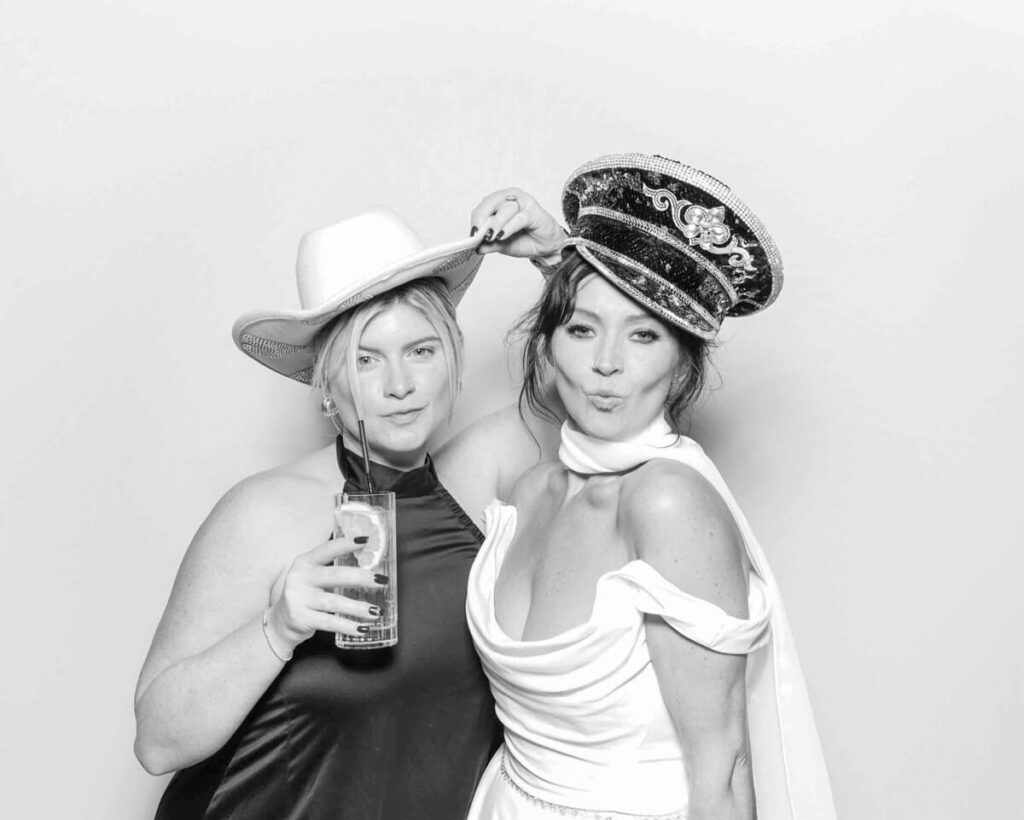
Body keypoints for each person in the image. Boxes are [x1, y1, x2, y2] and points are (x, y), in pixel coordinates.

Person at [445, 154, 837, 819]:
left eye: (644, 336)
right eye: (582, 331)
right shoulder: (531, 489)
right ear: (549, 343)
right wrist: (558, 254)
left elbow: (724, 770)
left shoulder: (668, 504)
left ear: (682, 362)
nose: (606, 364)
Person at [133, 208, 506, 819]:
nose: (400, 384)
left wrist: (551, 255)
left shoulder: (480, 482)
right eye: (366, 359)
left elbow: (606, 392)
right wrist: (277, 630)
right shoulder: (264, 512)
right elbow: (156, 740)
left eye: (420, 349)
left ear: (454, 354)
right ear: (325, 384)